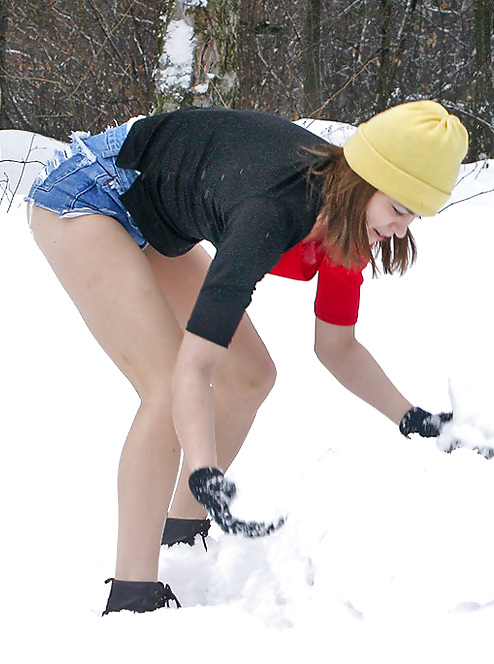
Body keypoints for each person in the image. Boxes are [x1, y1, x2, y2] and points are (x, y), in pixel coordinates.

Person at [25, 100, 470, 614]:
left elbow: (337, 346)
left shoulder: (350, 223)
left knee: (252, 374)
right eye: (397, 209)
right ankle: (132, 595)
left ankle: (184, 530)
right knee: (165, 386)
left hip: (158, 215)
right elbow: (194, 368)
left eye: (413, 216)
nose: (399, 228)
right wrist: (205, 466)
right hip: (89, 194)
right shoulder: (269, 212)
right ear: (364, 180)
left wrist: (412, 419)